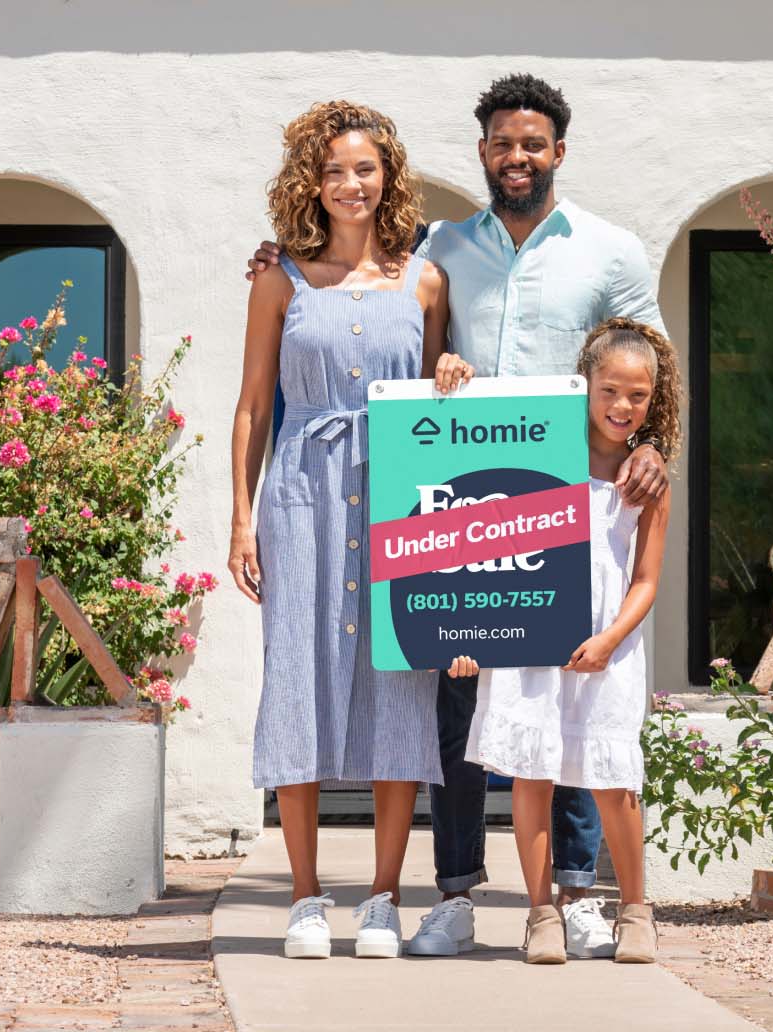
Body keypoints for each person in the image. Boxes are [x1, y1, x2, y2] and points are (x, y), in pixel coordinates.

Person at [248, 73, 670, 960]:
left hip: (567, 496)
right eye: (501, 145)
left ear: (559, 150)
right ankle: (456, 891)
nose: (517, 158)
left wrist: (651, 445)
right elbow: (410, 350)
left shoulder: (610, 251)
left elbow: (652, 364)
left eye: (533, 144)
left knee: (569, 688)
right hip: (457, 493)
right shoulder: (442, 249)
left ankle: (577, 892)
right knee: (454, 692)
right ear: (482, 154)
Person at [228, 100, 471, 961]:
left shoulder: (425, 280)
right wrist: (242, 518)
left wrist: (448, 370)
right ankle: (303, 896)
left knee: (400, 683)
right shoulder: (279, 278)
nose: (350, 184)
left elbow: (445, 396)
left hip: (400, 497)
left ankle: (381, 899)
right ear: (312, 184)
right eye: (334, 171)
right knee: (296, 676)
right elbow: (256, 403)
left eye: (364, 168)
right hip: (302, 490)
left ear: (387, 176)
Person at [448, 317, 678, 963]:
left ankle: (636, 909)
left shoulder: (647, 477)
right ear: (585, 386)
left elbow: (647, 578)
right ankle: (541, 913)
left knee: (612, 778)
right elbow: (476, 535)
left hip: (608, 644)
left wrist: (610, 638)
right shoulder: (538, 452)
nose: (621, 406)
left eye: (636, 395)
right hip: (531, 635)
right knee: (533, 772)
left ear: (653, 399)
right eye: (609, 390)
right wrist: (469, 629)